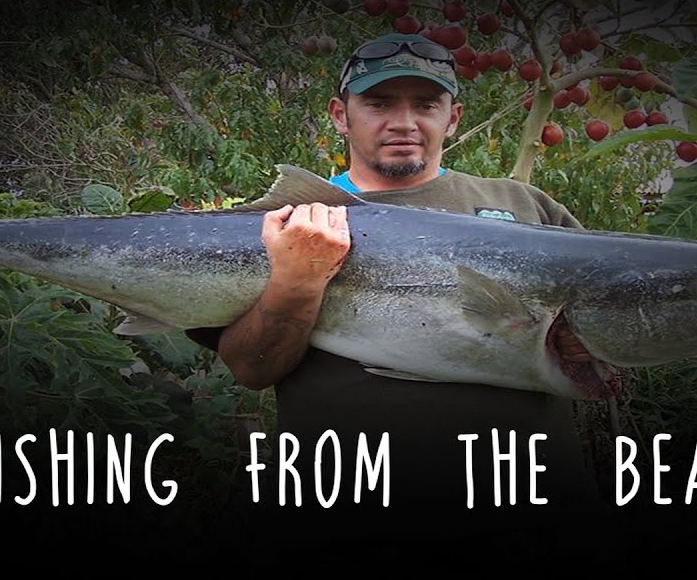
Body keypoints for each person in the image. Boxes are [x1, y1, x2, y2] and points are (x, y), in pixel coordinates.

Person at [183, 33, 608, 549]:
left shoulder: (526, 207)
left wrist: (587, 349)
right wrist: (296, 282)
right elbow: (253, 369)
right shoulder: (282, 224)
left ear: (451, 118)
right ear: (341, 115)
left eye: (426, 105)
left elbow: (611, 348)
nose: (404, 122)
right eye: (379, 103)